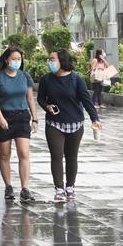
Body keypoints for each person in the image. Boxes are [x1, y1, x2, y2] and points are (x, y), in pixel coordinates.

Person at [37, 49, 103, 202]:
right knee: (57, 155)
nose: (49, 62)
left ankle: (70, 187)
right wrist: (47, 106)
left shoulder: (76, 79)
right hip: (54, 123)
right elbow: (40, 99)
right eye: (49, 59)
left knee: (72, 156)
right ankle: (59, 189)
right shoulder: (46, 79)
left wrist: (95, 118)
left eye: (52, 59)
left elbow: (86, 100)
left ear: (62, 61)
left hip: (75, 123)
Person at [0, 46, 38, 202]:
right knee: (5, 155)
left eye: (19, 59)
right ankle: (8, 186)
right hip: (4, 117)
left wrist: (35, 118)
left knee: (24, 153)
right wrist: (1, 117)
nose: (17, 62)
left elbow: (30, 99)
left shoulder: (25, 76)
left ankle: (25, 188)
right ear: (6, 60)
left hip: (22, 117)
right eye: (14, 59)